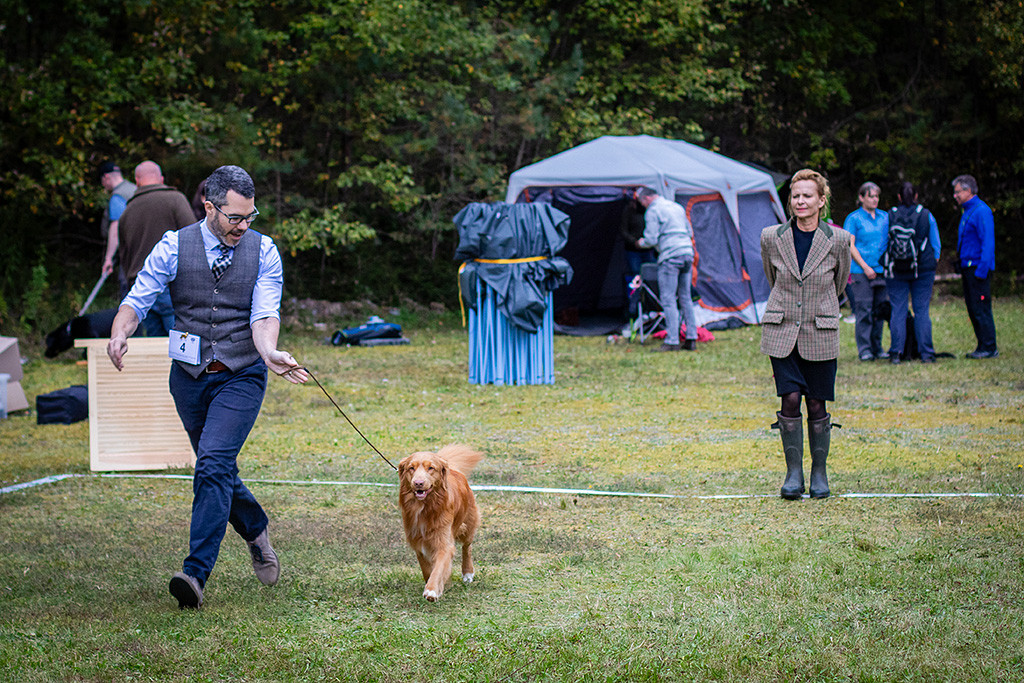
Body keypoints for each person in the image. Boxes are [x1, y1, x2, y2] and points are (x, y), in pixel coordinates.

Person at [106, 165, 309, 610]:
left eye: (250, 216)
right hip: (189, 378)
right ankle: (254, 526)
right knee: (216, 470)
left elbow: (264, 314)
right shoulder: (173, 246)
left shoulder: (265, 251)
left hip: (241, 373)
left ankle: (195, 574)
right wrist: (121, 332)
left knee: (213, 464)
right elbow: (138, 298)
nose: (243, 226)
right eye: (235, 217)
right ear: (209, 206)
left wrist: (270, 352)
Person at [760, 169, 851, 500]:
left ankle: (819, 473)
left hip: (820, 331)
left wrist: (817, 308)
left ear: (821, 200)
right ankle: (793, 474)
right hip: (782, 330)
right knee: (790, 398)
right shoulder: (771, 236)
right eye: (795, 195)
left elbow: (839, 282)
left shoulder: (838, 240)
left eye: (807, 195)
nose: (800, 201)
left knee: (816, 401)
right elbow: (772, 277)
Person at [113, 161, 196, 336]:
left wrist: (131, 287)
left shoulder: (128, 211)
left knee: (155, 349)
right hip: (173, 285)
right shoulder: (176, 199)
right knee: (183, 346)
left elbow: (124, 256)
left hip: (141, 289)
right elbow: (194, 240)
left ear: (136, 181)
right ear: (161, 179)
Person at [884, 182, 941, 364]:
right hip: (923, 270)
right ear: (916, 196)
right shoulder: (926, 215)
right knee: (921, 310)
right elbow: (936, 245)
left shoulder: (890, 215)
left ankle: (896, 354)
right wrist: (932, 262)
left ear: (899, 197)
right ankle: (926, 354)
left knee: (898, 310)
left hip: (896, 270)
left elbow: (882, 244)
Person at [635, 187, 698, 351]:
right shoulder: (676, 207)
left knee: (668, 299)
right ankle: (691, 337)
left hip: (670, 256)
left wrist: (640, 243)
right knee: (685, 297)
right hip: (686, 252)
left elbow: (651, 238)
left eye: (642, 202)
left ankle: (672, 340)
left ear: (646, 198)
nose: (642, 205)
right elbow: (689, 232)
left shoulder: (653, 211)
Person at [952, 174, 998, 359]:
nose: (955, 196)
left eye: (957, 192)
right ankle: (982, 344)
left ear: (968, 190)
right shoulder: (967, 211)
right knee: (972, 307)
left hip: (978, 268)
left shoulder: (981, 211)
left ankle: (989, 346)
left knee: (981, 307)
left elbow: (988, 242)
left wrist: (982, 269)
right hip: (967, 267)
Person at [842, 182, 889, 360]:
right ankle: (865, 349)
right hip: (861, 271)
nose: (875, 199)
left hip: (882, 270)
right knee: (864, 309)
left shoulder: (885, 217)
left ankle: (878, 347)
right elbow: (850, 244)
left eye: (877, 196)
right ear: (861, 198)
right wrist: (865, 266)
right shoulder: (854, 219)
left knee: (880, 310)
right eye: (871, 196)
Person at [98, 161, 137, 290]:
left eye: (102, 181)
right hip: (143, 248)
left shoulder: (118, 196)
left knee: (127, 287)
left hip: (129, 253)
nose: (103, 185)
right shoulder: (134, 189)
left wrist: (108, 258)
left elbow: (115, 228)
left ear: (106, 177)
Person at [619, 190, 655, 317]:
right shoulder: (629, 211)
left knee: (651, 279)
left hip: (648, 251)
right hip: (633, 251)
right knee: (635, 279)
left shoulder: (651, 211)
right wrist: (634, 242)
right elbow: (623, 230)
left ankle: (651, 308)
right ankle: (633, 309)